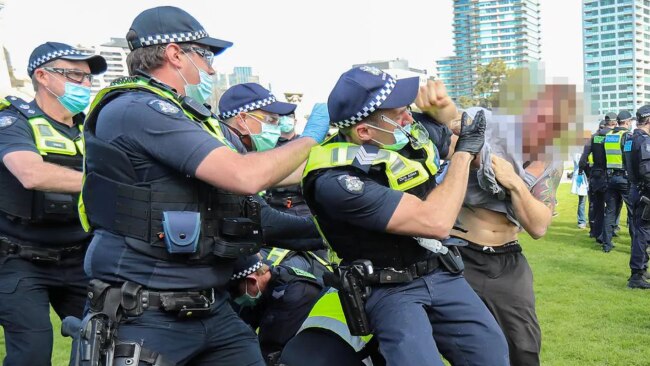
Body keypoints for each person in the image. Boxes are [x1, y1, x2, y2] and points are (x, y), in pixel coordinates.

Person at [77, 6, 329, 365]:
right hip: (146, 311)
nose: (211, 68)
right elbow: (246, 176)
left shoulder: (187, 116)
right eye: (205, 55)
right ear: (174, 53)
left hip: (211, 307)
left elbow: (251, 179)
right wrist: (310, 139)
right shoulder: (137, 109)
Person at [301, 66, 508, 366]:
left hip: (439, 271)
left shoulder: (400, 136)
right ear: (364, 132)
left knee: (490, 352)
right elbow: (436, 221)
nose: (408, 119)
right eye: (398, 114)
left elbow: (456, 137)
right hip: (389, 288)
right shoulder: (337, 181)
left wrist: (454, 124)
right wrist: (463, 153)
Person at [0, 42, 106, 366]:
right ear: (43, 76)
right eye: (74, 74)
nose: (85, 84)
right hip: (18, 259)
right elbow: (30, 173)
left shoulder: (95, 129)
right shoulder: (13, 121)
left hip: (81, 258)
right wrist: (102, 185)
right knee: (32, 351)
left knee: (102, 345)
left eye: (88, 78)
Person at [452, 82, 571, 366]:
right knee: (460, 346)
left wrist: (515, 183)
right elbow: (452, 127)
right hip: (457, 255)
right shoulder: (489, 137)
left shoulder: (552, 161)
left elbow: (539, 226)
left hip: (506, 263)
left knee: (524, 348)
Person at [218, 83, 331, 277]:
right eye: (270, 120)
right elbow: (268, 223)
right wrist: (335, 228)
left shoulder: (236, 149)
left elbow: (287, 172)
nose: (276, 128)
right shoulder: (224, 154)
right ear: (242, 119)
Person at [228, 254, 323, 362]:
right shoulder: (270, 282)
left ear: (252, 281)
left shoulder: (291, 295)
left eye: (235, 292)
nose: (235, 297)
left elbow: (269, 352)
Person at [623, 105, 650, 289]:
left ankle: (640, 268)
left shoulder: (629, 139)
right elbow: (647, 171)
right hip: (644, 192)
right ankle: (637, 275)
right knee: (643, 232)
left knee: (639, 231)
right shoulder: (645, 141)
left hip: (634, 188)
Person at [601, 111, 635, 253]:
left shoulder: (608, 136)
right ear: (627, 122)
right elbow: (629, 158)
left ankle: (606, 244)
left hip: (610, 178)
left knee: (610, 211)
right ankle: (635, 245)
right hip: (624, 178)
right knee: (632, 212)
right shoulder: (627, 136)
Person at [580, 117, 616, 242]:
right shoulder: (613, 136)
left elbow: (583, 160)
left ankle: (596, 233)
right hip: (609, 175)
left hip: (596, 176)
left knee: (597, 207)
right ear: (614, 123)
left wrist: (588, 173)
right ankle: (607, 236)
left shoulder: (594, 137)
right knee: (611, 208)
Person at [571, 153, 589, 229]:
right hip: (581, 177)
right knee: (582, 201)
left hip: (586, 176)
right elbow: (581, 163)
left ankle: (589, 221)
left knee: (590, 202)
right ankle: (582, 221)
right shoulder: (577, 152)